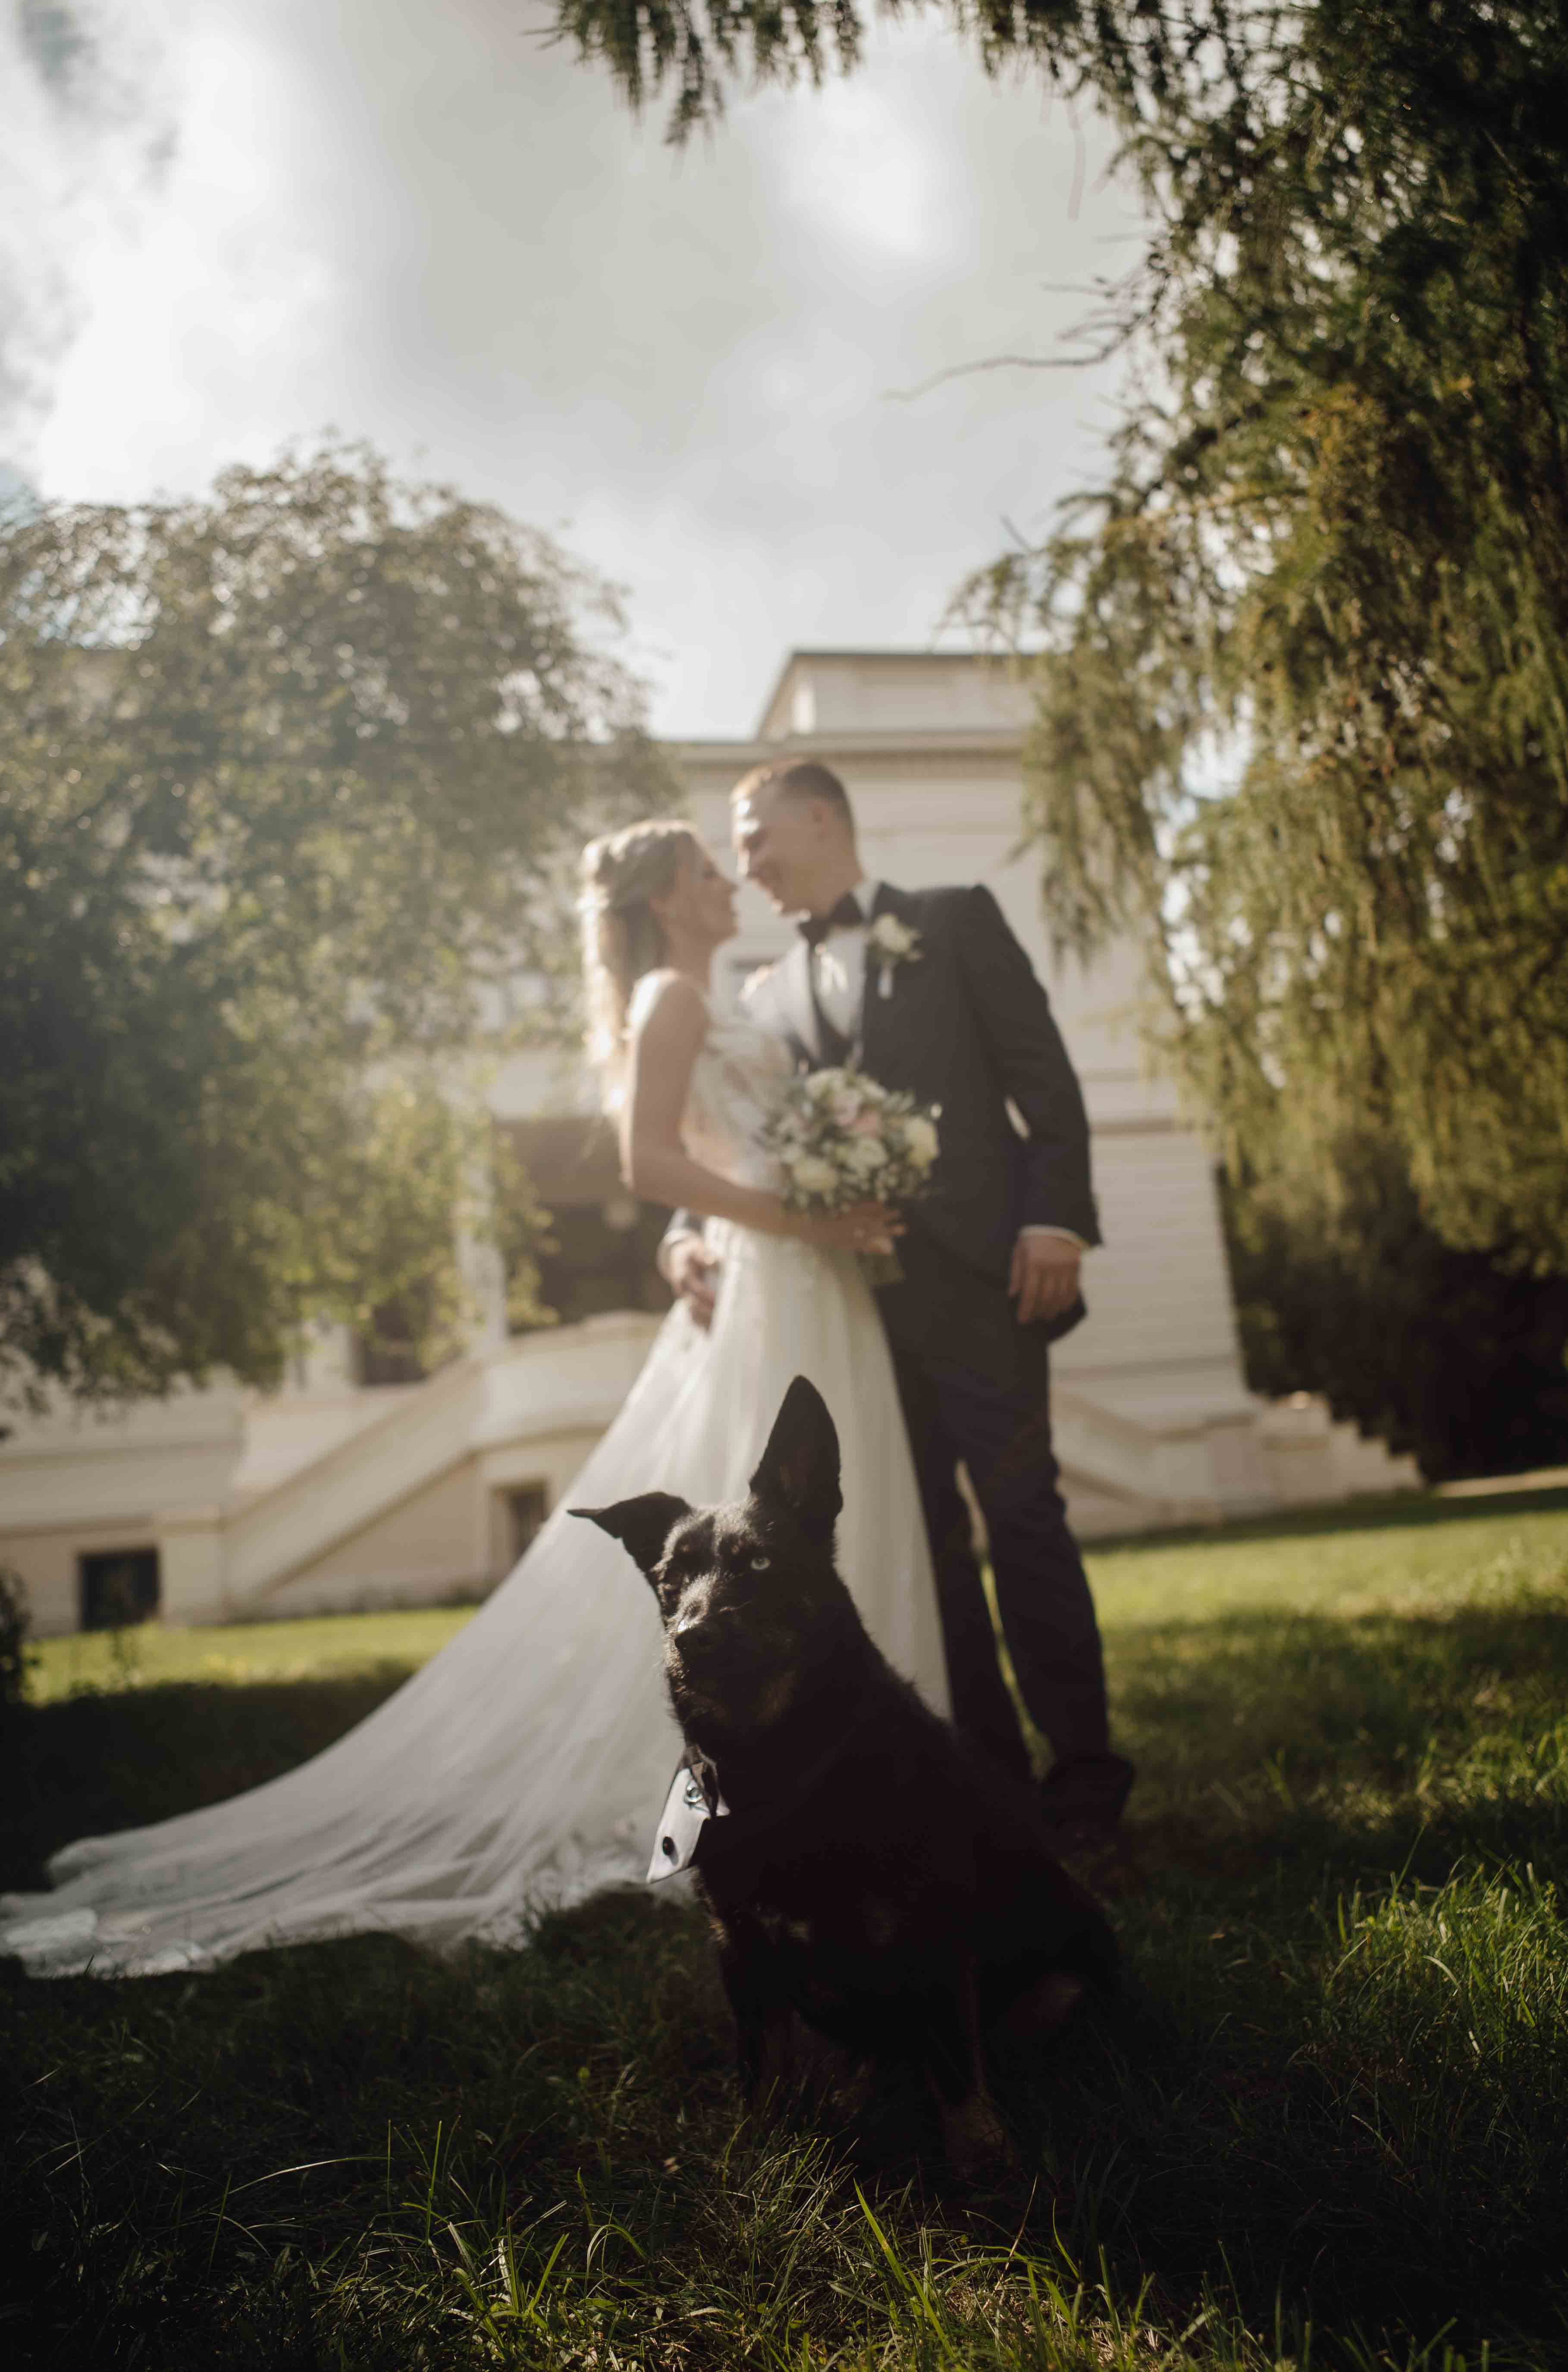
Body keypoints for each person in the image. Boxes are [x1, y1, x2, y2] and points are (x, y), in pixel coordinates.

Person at [0, 820, 950, 1978]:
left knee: (822, 1515)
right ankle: (769, 1788)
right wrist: (799, 1216)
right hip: (782, 1268)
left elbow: (712, 1158)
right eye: (707, 870)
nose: (728, 879)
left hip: (804, 1273)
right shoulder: (670, 998)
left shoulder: (719, 996)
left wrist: (778, 1204)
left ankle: (870, 1771)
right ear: (665, 899)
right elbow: (650, 1162)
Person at [661, 761, 1133, 1838]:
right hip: (850, 1313)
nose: (746, 861)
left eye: (755, 834)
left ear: (820, 815)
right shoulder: (762, 993)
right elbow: (725, 1130)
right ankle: (988, 1775)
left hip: (985, 1281)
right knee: (926, 1548)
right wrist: (684, 1230)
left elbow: (1043, 1078)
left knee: (1024, 1516)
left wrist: (1055, 1221)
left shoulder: (954, 920)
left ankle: (1088, 1775)